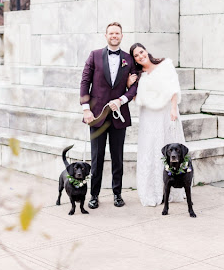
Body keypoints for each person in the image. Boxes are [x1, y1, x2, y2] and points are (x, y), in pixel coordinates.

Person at [80, 22, 137, 209]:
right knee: (96, 157)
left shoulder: (129, 59)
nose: (114, 36)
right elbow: (85, 81)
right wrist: (85, 109)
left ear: (122, 36)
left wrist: (122, 99)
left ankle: (117, 194)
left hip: (119, 115)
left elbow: (135, 86)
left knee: (117, 157)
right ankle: (94, 195)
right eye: (111, 33)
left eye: (117, 33)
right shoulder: (94, 55)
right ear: (106, 35)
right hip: (96, 116)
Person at [127, 43, 186, 207]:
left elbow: (174, 87)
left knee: (169, 146)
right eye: (136, 56)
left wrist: (174, 108)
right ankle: (153, 190)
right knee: (150, 150)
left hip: (166, 112)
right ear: (135, 60)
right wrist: (129, 84)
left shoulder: (165, 64)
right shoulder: (139, 76)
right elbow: (135, 98)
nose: (140, 56)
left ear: (146, 51)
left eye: (141, 52)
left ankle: (174, 189)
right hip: (149, 117)